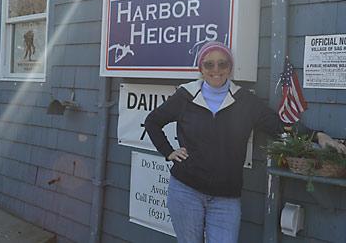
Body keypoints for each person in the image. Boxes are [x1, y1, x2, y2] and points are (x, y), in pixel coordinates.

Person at [144, 41, 345, 243]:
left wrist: (318, 136)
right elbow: (152, 122)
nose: (216, 70)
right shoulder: (185, 96)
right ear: (201, 68)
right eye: (209, 64)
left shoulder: (245, 101)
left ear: (230, 68)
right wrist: (168, 151)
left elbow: (279, 126)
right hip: (186, 191)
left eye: (222, 64)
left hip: (226, 198)